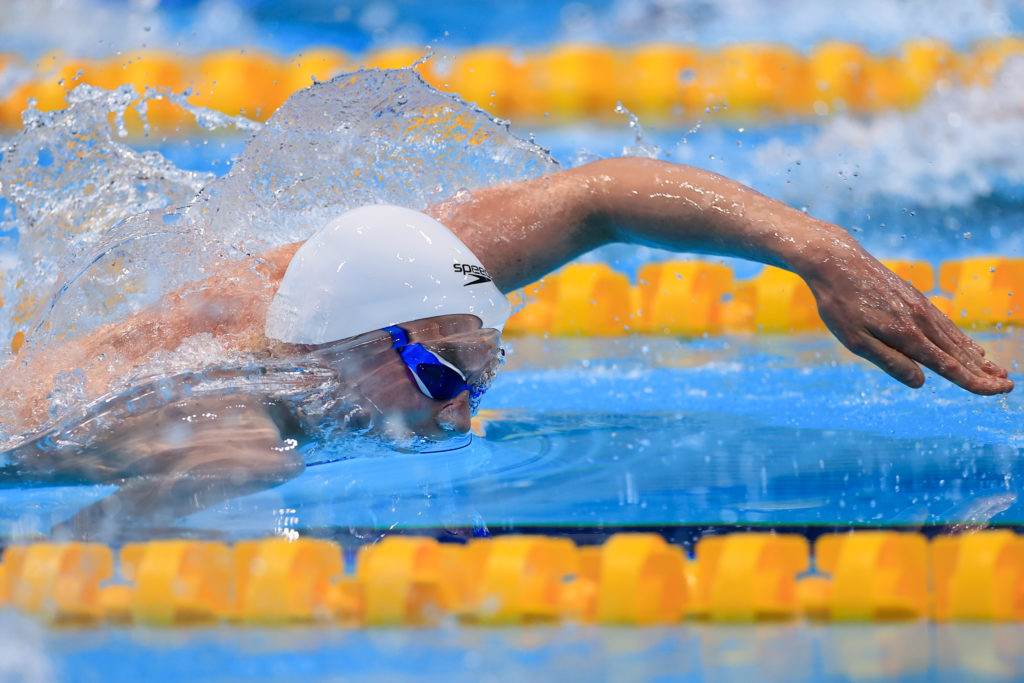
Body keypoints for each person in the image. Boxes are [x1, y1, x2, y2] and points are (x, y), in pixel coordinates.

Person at [1, 157, 1013, 538]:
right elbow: (57, 581)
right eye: (440, 379)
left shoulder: (374, 285)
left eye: (474, 375)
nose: (459, 413)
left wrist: (815, 248)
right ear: (346, 345)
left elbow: (595, 196)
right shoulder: (228, 426)